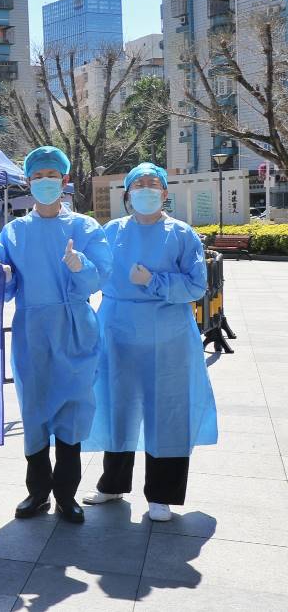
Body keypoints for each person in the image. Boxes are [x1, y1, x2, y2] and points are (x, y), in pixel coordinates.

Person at [81, 163, 217, 522]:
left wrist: (154, 281)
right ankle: (113, 484)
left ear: (165, 193)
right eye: (138, 184)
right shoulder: (112, 232)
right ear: (127, 193)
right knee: (117, 406)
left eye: (152, 183)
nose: (145, 189)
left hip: (168, 334)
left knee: (168, 410)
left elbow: (196, 285)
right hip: (118, 330)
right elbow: (95, 273)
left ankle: (162, 494)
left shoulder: (181, 233)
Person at [0, 146, 112, 524]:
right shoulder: (15, 231)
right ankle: (37, 492)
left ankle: (66, 495)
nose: (45, 181)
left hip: (74, 326)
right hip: (32, 331)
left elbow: (100, 277)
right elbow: (5, 282)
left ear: (65, 181)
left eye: (52, 175)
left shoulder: (84, 227)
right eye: (38, 175)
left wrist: (81, 265)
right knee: (34, 410)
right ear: (28, 181)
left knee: (72, 411)